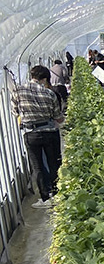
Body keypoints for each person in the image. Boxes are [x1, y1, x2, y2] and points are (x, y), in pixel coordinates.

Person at [10, 65, 64, 208]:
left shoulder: (18, 90)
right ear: (44, 78)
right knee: (54, 163)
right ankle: (57, 194)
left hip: (31, 134)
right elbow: (58, 117)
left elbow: (15, 111)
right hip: (50, 133)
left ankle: (45, 199)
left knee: (38, 167)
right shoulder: (49, 94)